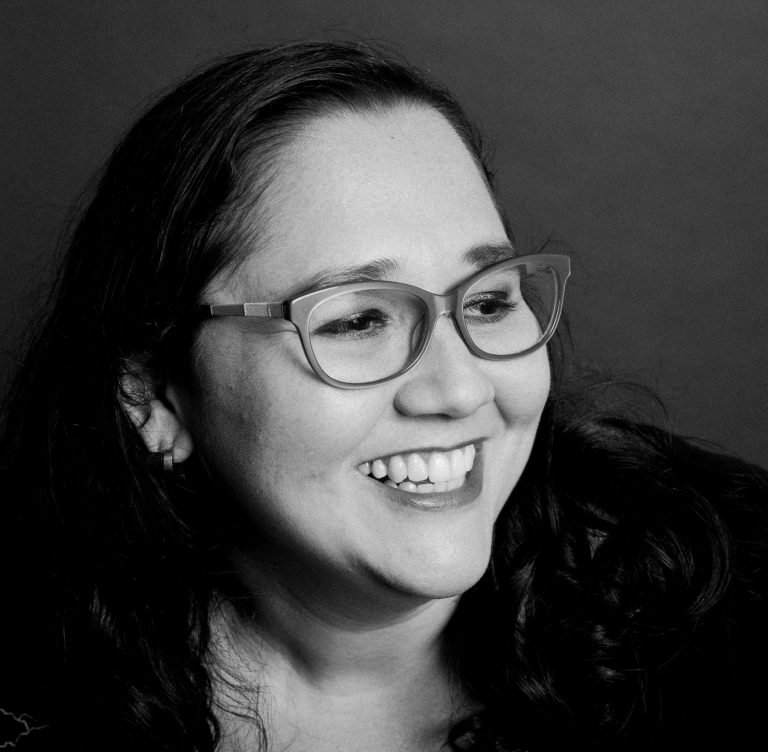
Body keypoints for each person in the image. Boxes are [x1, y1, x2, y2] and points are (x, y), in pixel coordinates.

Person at [0, 41, 765, 752]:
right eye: (358, 319)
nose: (460, 388)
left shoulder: (725, 621)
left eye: (488, 301)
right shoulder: (30, 708)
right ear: (154, 396)